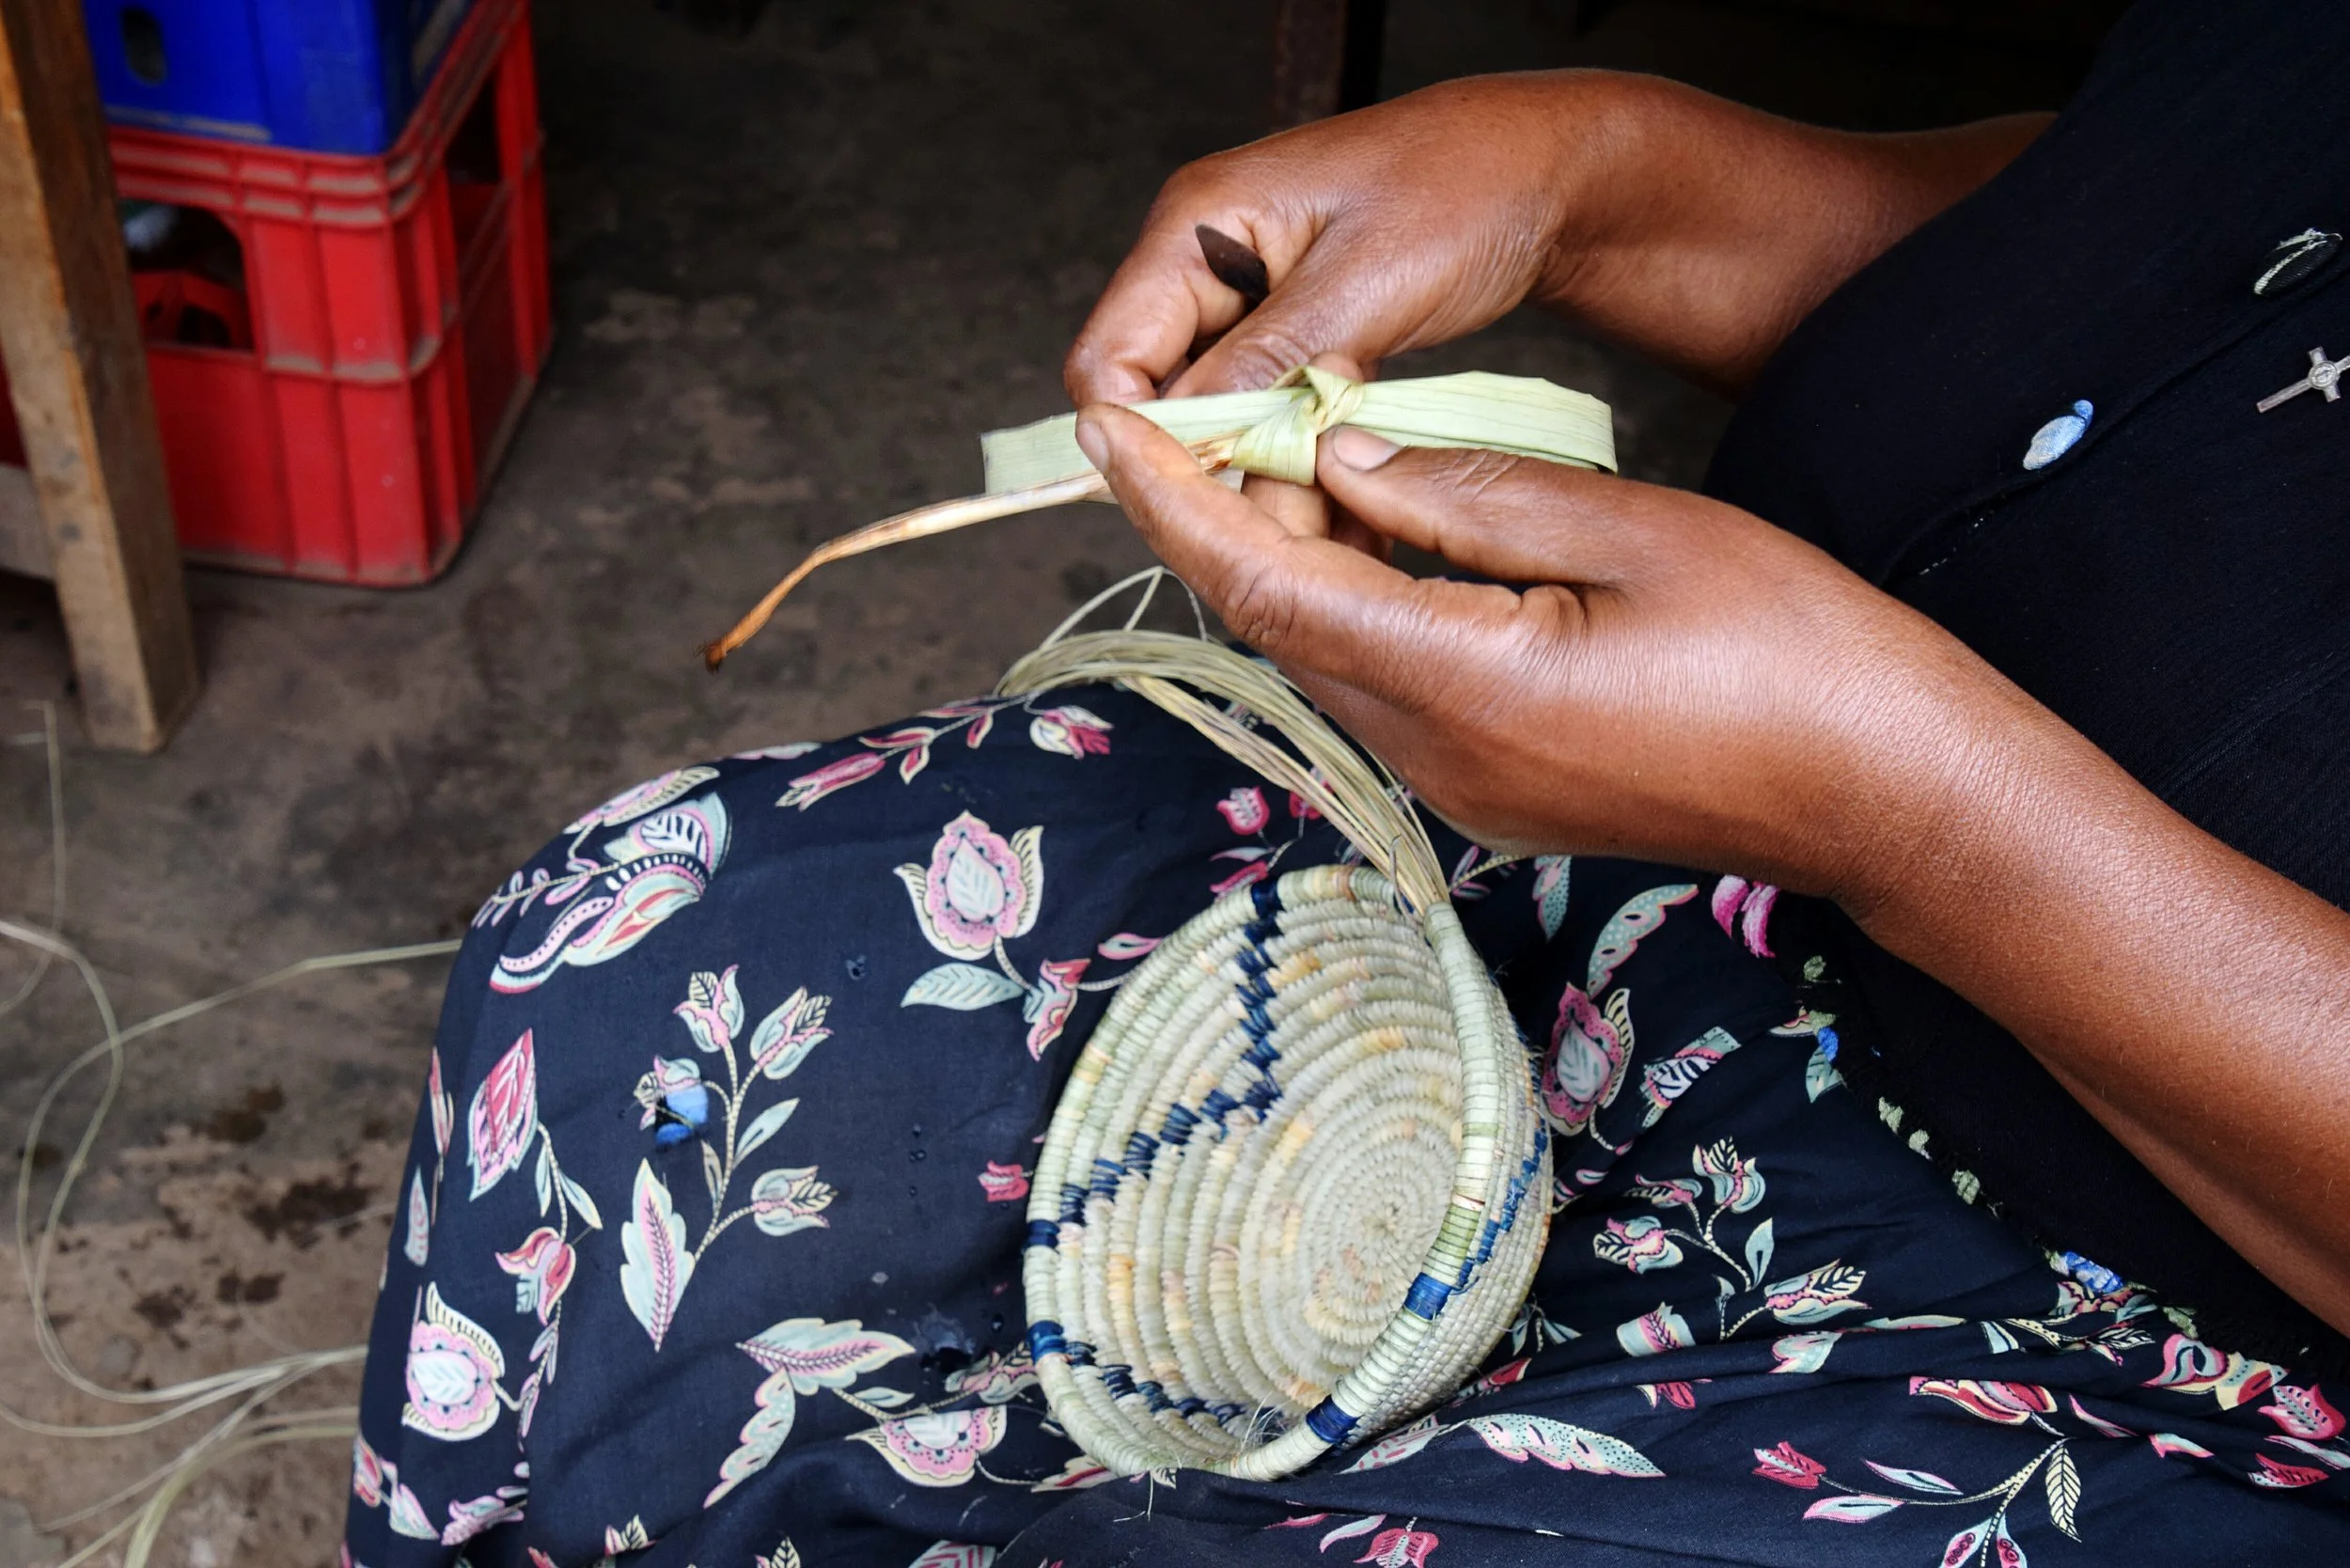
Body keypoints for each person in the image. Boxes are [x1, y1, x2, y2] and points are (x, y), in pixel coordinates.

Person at [344, 1, 2350, 1563]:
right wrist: (1594, 174)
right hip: (1682, 853)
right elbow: (2162, 255)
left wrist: (1900, 806)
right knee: (642, 967)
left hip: (2161, 1299)